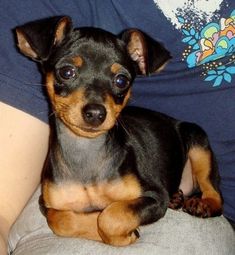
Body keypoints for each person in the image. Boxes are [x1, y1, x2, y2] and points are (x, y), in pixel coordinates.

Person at [0, 1, 235, 254]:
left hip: (178, 154)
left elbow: (156, 199)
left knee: (193, 135)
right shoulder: (55, 188)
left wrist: (111, 223)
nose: (95, 107)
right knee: (57, 218)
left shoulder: (127, 173)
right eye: (68, 73)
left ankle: (211, 194)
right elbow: (43, 210)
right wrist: (88, 226)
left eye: (119, 80)